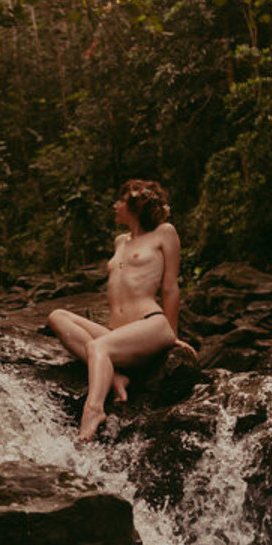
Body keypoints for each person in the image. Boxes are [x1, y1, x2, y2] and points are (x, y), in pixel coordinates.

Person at [47, 179, 195, 442]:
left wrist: (173, 336)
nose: (115, 206)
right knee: (57, 316)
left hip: (151, 324)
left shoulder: (165, 232)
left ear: (136, 206)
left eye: (120, 201)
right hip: (118, 333)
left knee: (97, 346)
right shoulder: (120, 242)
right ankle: (112, 373)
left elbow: (170, 288)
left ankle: (94, 410)